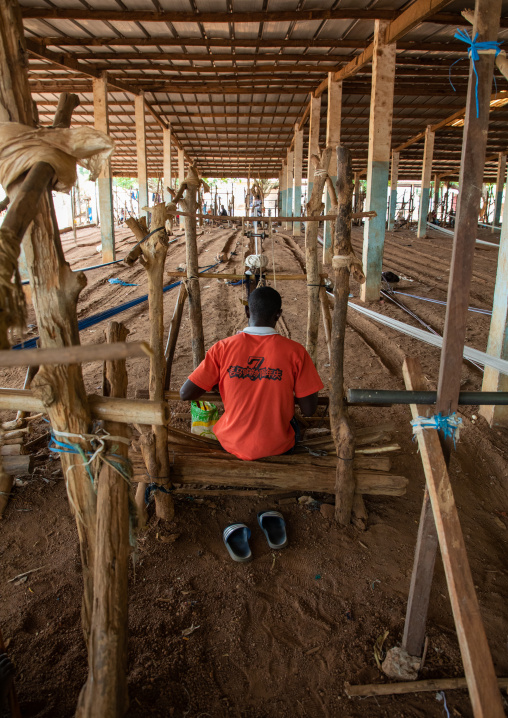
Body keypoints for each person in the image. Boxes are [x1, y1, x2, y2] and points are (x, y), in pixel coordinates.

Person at [180, 287, 323, 461]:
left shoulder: (222, 348)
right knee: (293, 424)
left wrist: (222, 382)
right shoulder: (296, 352)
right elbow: (309, 409)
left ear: (247, 311)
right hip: (277, 445)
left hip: (231, 442)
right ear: (278, 315)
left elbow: (185, 393)